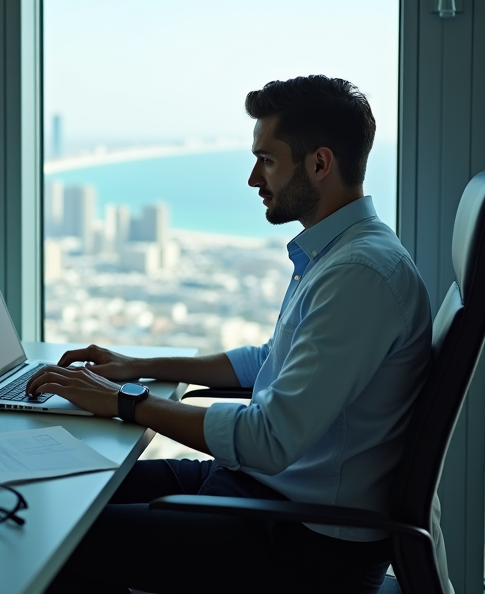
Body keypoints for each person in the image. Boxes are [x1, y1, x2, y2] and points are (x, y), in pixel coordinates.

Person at [27, 75, 440, 594]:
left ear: (319, 163)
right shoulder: (341, 254)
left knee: (58, 538)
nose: (252, 178)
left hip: (303, 547)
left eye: (266, 160)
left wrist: (124, 401)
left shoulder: (359, 274)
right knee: (66, 488)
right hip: (268, 497)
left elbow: (268, 440)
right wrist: (137, 367)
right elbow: (268, 360)